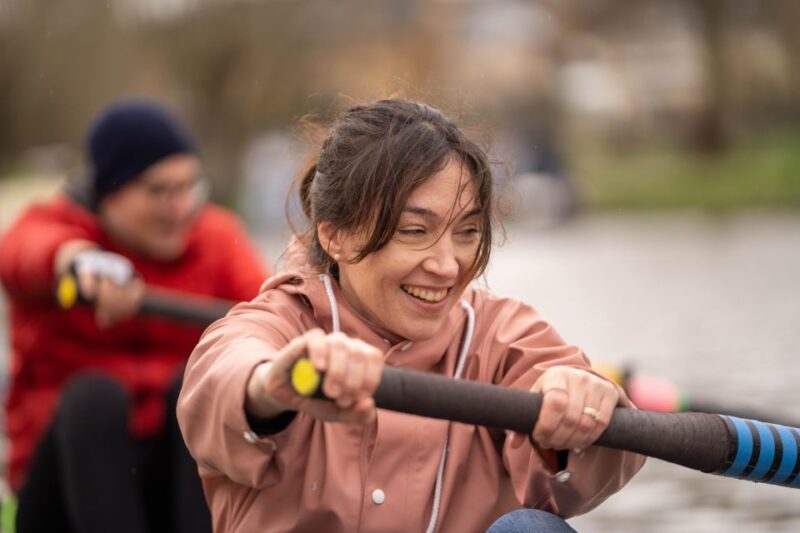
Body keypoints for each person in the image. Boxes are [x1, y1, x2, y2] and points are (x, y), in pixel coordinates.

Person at [177, 99, 645, 532]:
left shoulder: (503, 334)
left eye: (466, 231)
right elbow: (222, 375)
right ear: (335, 236)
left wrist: (580, 405)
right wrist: (271, 388)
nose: (448, 265)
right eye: (415, 231)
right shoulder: (275, 324)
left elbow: (588, 464)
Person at [0, 99, 272, 532]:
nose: (179, 207)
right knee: (94, 398)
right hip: (69, 490)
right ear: (108, 192)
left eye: (188, 188)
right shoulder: (57, 229)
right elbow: (20, 253)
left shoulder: (217, 238)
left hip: (171, 486)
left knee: (197, 385)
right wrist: (77, 262)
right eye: (159, 191)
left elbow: (271, 315)